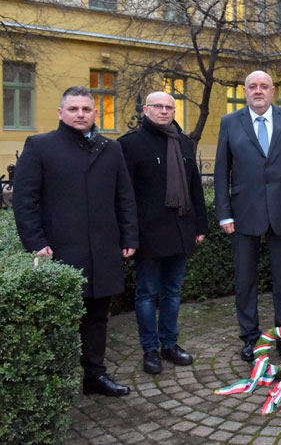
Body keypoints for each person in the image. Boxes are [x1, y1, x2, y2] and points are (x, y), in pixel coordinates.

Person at [13, 86, 138, 396]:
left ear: (95, 113)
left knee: (97, 317)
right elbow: (24, 200)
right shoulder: (40, 146)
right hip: (60, 250)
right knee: (61, 321)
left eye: (86, 109)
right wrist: (35, 242)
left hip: (104, 249)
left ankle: (94, 376)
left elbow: (124, 196)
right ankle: (55, 385)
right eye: (73, 109)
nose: (80, 114)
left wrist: (129, 235)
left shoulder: (110, 149)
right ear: (60, 113)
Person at [214, 71, 281, 362]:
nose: (258, 91)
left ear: (273, 90)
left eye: (264, 86)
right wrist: (224, 215)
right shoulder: (230, 122)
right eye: (252, 86)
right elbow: (220, 171)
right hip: (243, 213)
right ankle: (250, 337)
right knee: (245, 280)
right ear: (244, 91)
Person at [119, 91, 208, 374]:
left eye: (169, 107)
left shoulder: (183, 143)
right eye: (158, 106)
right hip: (147, 235)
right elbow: (123, 195)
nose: (164, 111)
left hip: (180, 230)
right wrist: (128, 234)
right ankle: (150, 349)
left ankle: (170, 344)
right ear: (146, 109)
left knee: (173, 292)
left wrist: (200, 225)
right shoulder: (129, 145)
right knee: (147, 294)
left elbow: (194, 187)